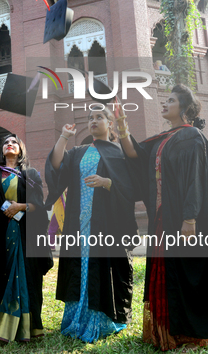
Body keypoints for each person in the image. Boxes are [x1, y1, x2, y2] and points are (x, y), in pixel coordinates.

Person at [121, 85, 208, 351]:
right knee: (168, 272)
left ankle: (190, 334)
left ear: (185, 109)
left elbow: (195, 182)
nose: (165, 104)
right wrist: (121, 126)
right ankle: (166, 332)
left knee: (188, 274)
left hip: (183, 219)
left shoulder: (191, 138)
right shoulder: (166, 138)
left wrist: (190, 220)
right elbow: (137, 157)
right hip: (163, 217)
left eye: (171, 100)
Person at [44, 107, 139, 343]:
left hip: (106, 224)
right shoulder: (78, 152)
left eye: (99, 118)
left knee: (102, 267)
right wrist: (64, 137)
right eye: (90, 118)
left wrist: (108, 183)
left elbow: (130, 190)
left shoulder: (118, 154)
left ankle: (103, 320)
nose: (93, 121)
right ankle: (77, 318)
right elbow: (56, 167)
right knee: (80, 267)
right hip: (79, 222)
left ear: (110, 124)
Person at [0, 117, 53, 342]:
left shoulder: (31, 174)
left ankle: (27, 327)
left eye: (14, 143)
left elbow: (39, 204)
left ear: (20, 151)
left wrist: (21, 206)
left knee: (24, 275)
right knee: (0, 274)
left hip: (25, 234)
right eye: (6, 142)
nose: (9, 144)